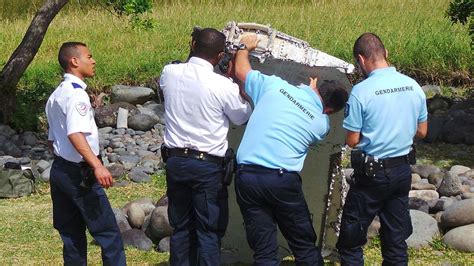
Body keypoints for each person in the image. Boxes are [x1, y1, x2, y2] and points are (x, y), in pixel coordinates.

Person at [233, 34, 349, 265]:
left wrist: (244, 47)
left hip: (247, 177)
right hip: (281, 181)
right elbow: (311, 116)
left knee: (263, 248)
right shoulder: (321, 124)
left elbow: (241, 72)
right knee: (304, 244)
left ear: (316, 85)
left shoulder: (274, 86)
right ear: (331, 110)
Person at [159, 28, 252, 265]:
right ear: (221, 56)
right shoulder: (223, 86)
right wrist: (238, 85)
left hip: (176, 161)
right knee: (209, 230)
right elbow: (242, 117)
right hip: (207, 166)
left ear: (192, 45)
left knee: (180, 227)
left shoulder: (169, 72)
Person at [336, 33, 428, 265]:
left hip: (371, 175)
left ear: (361, 59)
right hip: (402, 170)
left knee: (351, 238)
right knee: (396, 240)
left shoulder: (361, 91)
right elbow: (422, 132)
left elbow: (353, 140)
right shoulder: (413, 86)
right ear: (386, 53)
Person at [45, 42, 126, 266]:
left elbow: (52, 139)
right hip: (80, 174)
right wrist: (97, 165)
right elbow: (75, 134)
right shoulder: (76, 95)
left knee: (71, 236)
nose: (93, 61)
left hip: (60, 169)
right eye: (89, 56)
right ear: (74, 61)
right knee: (109, 235)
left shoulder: (56, 95)